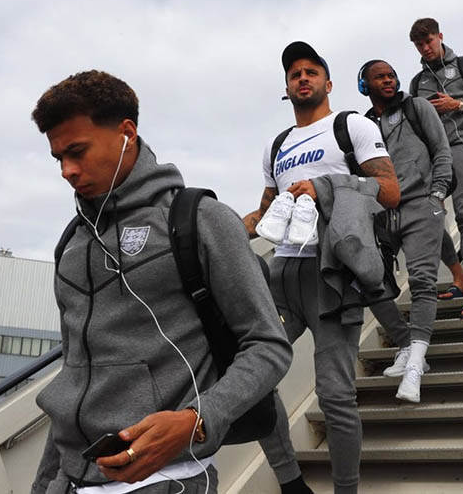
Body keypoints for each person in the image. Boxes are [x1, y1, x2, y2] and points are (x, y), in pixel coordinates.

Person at [29, 70, 292, 494]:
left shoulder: (201, 220)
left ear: (126, 133)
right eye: (58, 158)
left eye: (77, 151)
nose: (67, 170)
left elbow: (268, 344)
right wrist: (44, 484)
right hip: (69, 482)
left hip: (169, 480)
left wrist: (196, 421)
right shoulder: (71, 246)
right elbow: (73, 373)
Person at [243, 42, 400, 494]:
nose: (302, 78)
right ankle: (292, 483)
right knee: (250, 377)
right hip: (282, 275)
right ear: (287, 88)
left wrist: (324, 186)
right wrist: (217, 229)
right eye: (294, 74)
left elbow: (390, 190)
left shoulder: (349, 126)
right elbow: (265, 213)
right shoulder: (277, 145)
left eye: (311, 71)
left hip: (331, 275)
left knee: (334, 396)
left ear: (328, 83)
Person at [359, 59, 452, 402]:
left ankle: (415, 365)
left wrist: (437, 194)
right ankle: (404, 345)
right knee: (371, 282)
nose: (388, 80)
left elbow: (441, 151)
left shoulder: (418, 107)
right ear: (364, 86)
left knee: (422, 281)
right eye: (379, 77)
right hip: (383, 214)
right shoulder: (362, 125)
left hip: (421, 205)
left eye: (391, 75)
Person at [409, 17, 463, 318]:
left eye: (428, 41)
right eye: (419, 45)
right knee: (429, 217)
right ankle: (458, 275)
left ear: (440, 37)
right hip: (433, 156)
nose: (425, 48)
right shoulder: (417, 82)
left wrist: (458, 105)